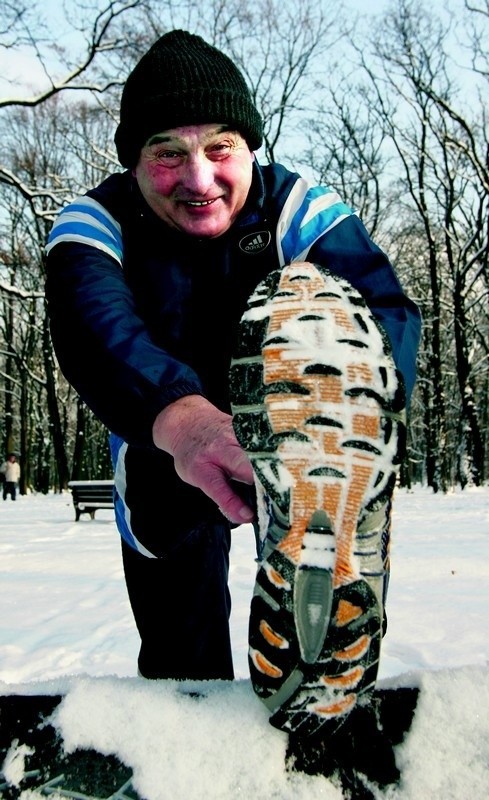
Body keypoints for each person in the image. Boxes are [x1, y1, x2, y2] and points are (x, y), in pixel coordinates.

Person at [45, 29, 421, 744]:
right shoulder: (95, 220)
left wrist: (356, 420)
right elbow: (92, 323)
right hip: (164, 448)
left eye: (219, 148)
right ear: (133, 164)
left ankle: (319, 623)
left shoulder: (295, 208)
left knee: (331, 310)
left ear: (249, 147)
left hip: (297, 448)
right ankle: (188, 741)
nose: (198, 178)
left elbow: (382, 310)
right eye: (166, 154)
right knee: (179, 625)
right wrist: (184, 423)